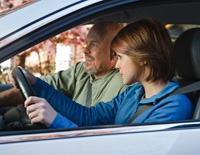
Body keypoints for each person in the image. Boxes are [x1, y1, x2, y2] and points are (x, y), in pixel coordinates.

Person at [15, 18, 194, 129]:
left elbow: (124, 151)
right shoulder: (135, 92)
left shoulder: (174, 106)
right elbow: (89, 118)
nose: (116, 65)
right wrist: (37, 84)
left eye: (121, 57)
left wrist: (56, 121)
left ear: (143, 59)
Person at [0, 21, 128, 108]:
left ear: (114, 53)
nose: (84, 50)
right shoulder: (80, 71)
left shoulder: (124, 82)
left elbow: (93, 120)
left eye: (94, 45)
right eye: (86, 43)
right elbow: (39, 87)